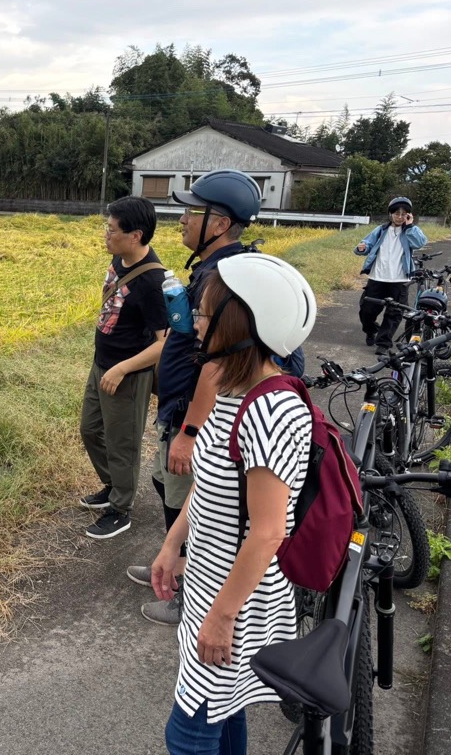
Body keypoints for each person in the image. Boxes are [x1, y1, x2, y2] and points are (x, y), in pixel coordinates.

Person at [151, 253, 316, 754]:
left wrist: (222, 617)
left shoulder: (272, 409)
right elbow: (210, 488)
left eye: (204, 312)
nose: (195, 322)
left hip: (238, 599)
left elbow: (268, 532)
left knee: (188, 734)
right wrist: (172, 543)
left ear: (241, 320)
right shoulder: (230, 388)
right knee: (223, 713)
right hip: (210, 581)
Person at [126, 169, 305, 625]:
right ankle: (175, 562)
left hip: (197, 416)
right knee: (169, 487)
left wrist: (189, 430)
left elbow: (216, 363)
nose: (182, 220)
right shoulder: (218, 269)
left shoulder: (226, 282)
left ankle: (186, 594)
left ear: (220, 224)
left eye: (192, 212)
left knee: (193, 496)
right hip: (183, 409)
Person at [78, 196, 169, 539]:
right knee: (90, 430)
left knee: (123, 443)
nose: (106, 234)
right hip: (102, 362)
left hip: (127, 374)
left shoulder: (153, 282)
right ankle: (114, 486)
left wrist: (121, 369)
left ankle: (121, 509)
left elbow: (165, 343)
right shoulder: (119, 258)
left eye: (112, 229)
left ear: (136, 235)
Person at [355, 196, 427, 353]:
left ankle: (383, 343)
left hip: (399, 279)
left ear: (408, 215)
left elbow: (420, 242)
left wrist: (410, 226)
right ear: (391, 214)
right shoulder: (381, 230)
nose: (400, 217)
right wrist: (362, 248)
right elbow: (367, 244)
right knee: (367, 311)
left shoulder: (410, 231)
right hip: (377, 277)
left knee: (394, 313)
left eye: (404, 214)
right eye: (397, 213)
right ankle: (371, 330)